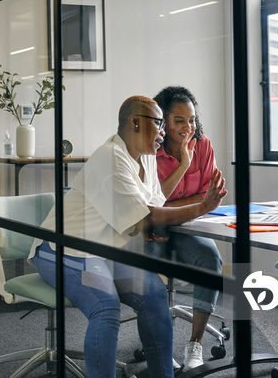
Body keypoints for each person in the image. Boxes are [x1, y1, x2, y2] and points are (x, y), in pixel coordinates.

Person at [29, 95, 227, 378]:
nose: (163, 132)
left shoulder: (143, 158)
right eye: (159, 124)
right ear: (135, 122)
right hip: (63, 249)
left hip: (104, 252)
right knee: (106, 306)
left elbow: (156, 201)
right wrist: (204, 206)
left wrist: (184, 164)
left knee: (155, 295)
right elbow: (148, 218)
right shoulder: (110, 158)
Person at [149, 85, 224, 370]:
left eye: (191, 119)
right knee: (146, 264)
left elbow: (207, 196)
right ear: (163, 121)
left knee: (210, 258)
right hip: (153, 226)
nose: (187, 126)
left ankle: (195, 344)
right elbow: (148, 205)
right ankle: (157, 343)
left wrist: (173, 208)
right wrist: (188, 202)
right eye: (179, 120)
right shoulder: (149, 149)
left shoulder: (202, 145)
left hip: (188, 224)